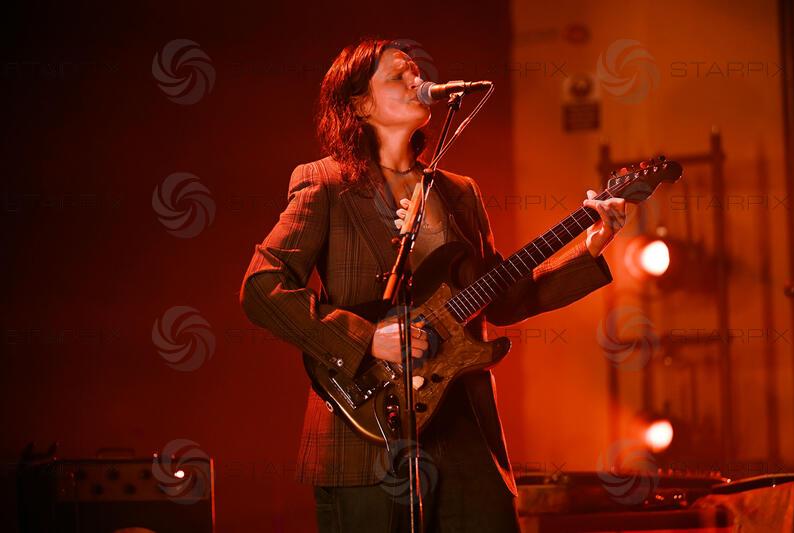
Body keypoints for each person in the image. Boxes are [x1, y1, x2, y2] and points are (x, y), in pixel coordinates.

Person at [240, 37, 626, 533]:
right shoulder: (326, 184)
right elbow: (262, 285)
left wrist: (589, 246)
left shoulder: (458, 192)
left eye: (416, 69)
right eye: (397, 76)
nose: (417, 80)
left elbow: (504, 298)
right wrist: (366, 338)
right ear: (359, 104)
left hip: (459, 417)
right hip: (362, 423)